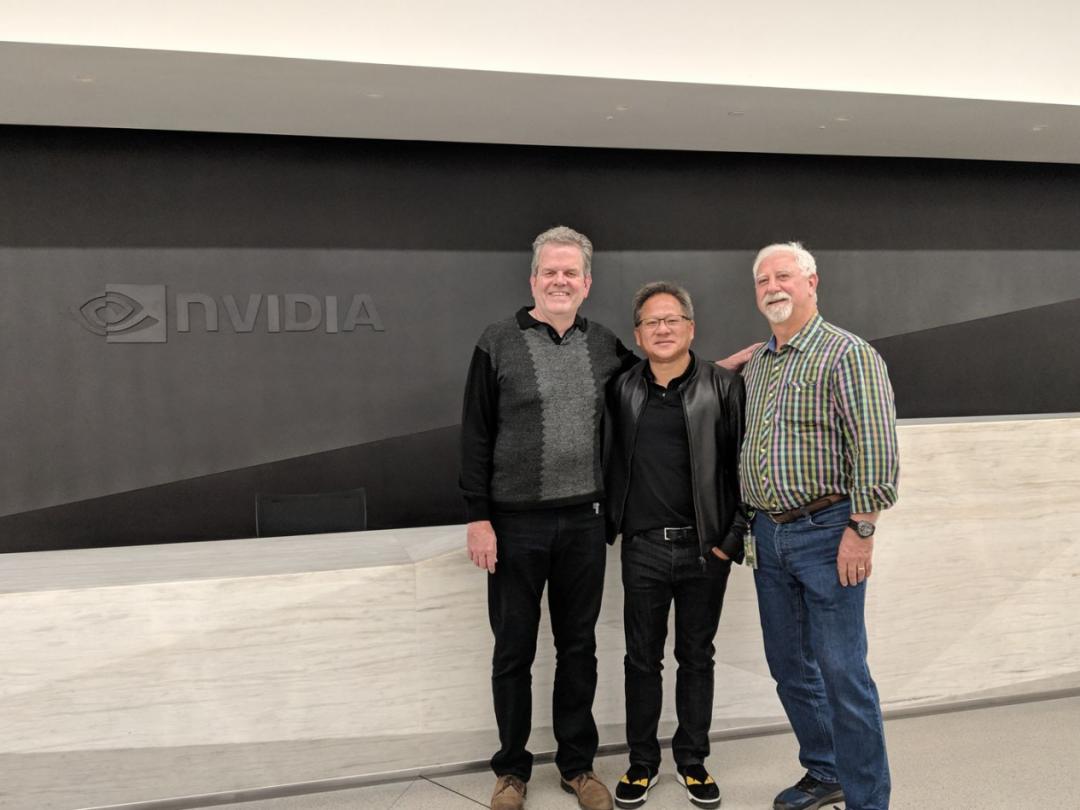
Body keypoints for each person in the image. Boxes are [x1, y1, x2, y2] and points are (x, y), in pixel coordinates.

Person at [740, 242, 899, 810]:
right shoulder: (759, 363)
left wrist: (862, 529)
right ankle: (826, 770)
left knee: (842, 671)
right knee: (789, 666)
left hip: (829, 532)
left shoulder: (847, 353)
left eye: (783, 275)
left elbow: (876, 448)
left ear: (812, 282)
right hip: (767, 535)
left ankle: (867, 800)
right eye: (763, 280)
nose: (773, 287)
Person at [604, 282, 746, 809]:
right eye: (651, 322)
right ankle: (641, 763)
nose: (662, 329)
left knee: (696, 657)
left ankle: (692, 761)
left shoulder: (723, 387)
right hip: (642, 548)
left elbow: (743, 467)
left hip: (706, 550)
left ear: (691, 327)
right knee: (641, 660)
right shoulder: (621, 389)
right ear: (638, 334)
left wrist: (730, 541)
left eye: (672, 320)